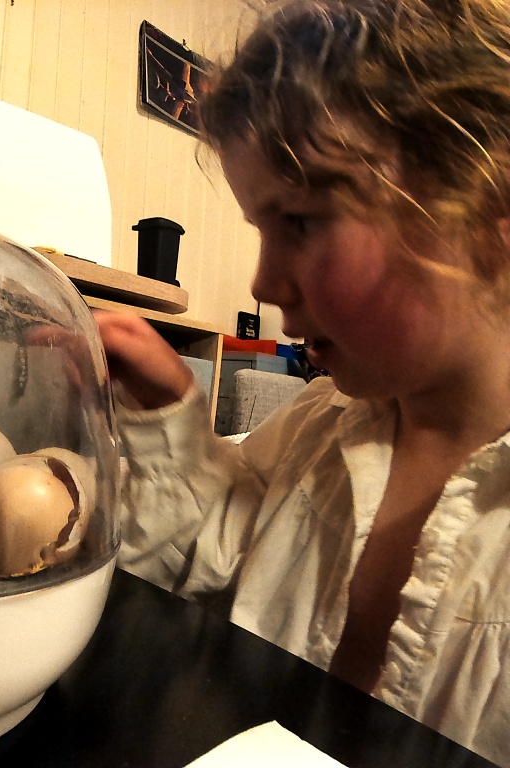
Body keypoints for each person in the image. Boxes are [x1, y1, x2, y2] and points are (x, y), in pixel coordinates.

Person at [99, 1, 510, 764]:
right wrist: (169, 412)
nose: (262, 281)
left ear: (489, 203)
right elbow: (222, 554)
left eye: (301, 221)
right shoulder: (320, 426)